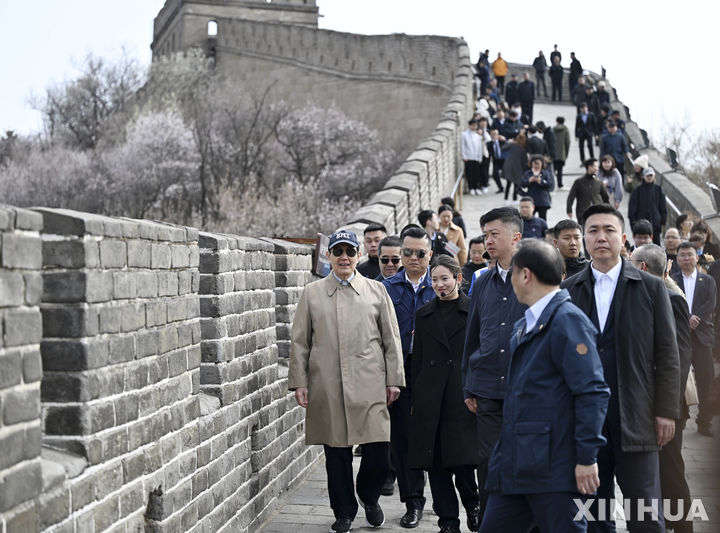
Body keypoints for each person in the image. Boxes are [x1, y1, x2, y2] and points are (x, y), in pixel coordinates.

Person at [561, 204, 680, 532]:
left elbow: (668, 354)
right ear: (584, 238)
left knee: (645, 513)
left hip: (638, 416)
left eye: (609, 230)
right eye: (593, 230)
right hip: (585, 424)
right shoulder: (568, 291)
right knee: (594, 516)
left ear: (623, 238)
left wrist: (666, 410)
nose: (601, 237)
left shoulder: (651, 288)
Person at [480, 239, 610, 533]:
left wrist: (587, 458)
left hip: (554, 467)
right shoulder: (528, 323)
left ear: (525, 275)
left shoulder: (567, 322)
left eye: (512, 271)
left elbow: (592, 392)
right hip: (517, 462)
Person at [288, 230, 404, 533]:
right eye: (337, 251)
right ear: (329, 256)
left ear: (359, 256)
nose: (344, 257)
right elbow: (300, 342)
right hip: (327, 384)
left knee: (379, 449)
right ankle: (343, 512)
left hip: (370, 382)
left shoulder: (377, 291)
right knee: (336, 454)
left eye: (349, 252)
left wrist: (395, 380)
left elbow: (392, 341)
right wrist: (300, 382)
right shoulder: (312, 293)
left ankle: (369, 496)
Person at [462, 207, 527, 525]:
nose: (487, 240)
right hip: (487, 389)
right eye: (485, 234)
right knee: (487, 463)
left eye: (494, 234)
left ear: (516, 236)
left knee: (524, 463)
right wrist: (468, 384)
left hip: (525, 390)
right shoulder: (483, 282)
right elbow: (472, 337)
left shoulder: (534, 280)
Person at [408, 255, 481, 533]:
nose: (439, 284)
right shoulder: (424, 314)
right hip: (431, 398)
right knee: (436, 466)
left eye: (444, 279)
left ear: (458, 279)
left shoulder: (473, 310)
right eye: (434, 280)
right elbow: (418, 360)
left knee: (462, 463)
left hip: (460, 395)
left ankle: (473, 505)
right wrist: (416, 399)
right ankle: (448, 521)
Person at [630, 243, 694, 533]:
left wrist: (665, 409)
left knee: (670, 474)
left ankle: (682, 527)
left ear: (641, 267)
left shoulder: (671, 298)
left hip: (665, 407)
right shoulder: (634, 297)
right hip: (641, 406)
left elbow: (678, 357)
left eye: (629, 263)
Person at [382, 227, 434, 528]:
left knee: (434, 435)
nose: (413, 258)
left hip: (433, 371)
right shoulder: (386, 288)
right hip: (399, 371)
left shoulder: (441, 284)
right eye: (408, 253)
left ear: (430, 254)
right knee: (403, 438)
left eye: (420, 253)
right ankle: (413, 501)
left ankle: (442, 495)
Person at [672, 242, 717, 437]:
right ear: (677, 259)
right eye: (682, 255)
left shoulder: (707, 281)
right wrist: (686, 318)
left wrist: (694, 318)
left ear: (697, 257)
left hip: (702, 338)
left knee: (705, 379)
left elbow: (711, 303)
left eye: (690, 255)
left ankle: (704, 419)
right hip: (680, 337)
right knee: (680, 379)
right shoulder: (672, 281)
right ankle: (682, 416)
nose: (686, 259)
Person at [628, 167, 667, 245]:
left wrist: (662, 221)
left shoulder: (658, 190)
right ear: (643, 176)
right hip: (641, 223)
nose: (649, 177)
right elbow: (632, 208)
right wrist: (634, 223)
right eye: (647, 176)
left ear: (653, 176)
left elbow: (663, 206)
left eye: (651, 176)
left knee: (657, 245)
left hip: (655, 223)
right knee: (641, 245)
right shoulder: (637, 190)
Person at [566, 158, 609, 225]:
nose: (597, 169)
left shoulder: (599, 182)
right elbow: (571, 197)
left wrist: (607, 211)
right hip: (582, 213)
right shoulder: (578, 182)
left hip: (598, 213)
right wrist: (569, 210)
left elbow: (605, 197)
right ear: (589, 167)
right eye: (596, 166)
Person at [520, 156, 553, 221]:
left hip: (543, 200)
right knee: (528, 219)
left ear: (542, 164)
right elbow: (522, 184)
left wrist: (541, 181)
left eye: (538, 164)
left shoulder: (545, 173)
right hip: (531, 199)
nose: (536, 166)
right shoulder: (528, 173)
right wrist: (529, 181)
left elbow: (550, 184)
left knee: (543, 219)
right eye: (535, 164)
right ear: (532, 164)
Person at [502, 131, 528, 204]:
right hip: (518, 168)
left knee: (508, 183)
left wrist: (508, 142)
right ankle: (514, 199)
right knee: (516, 184)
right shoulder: (523, 149)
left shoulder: (512, 145)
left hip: (508, 166)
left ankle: (506, 199)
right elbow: (524, 161)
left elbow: (502, 148)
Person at [461, 119, 484, 196]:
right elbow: (463, 146)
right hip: (469, 157)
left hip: (476, 157)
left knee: (477, 173)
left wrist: (480, 157)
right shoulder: (464, 134)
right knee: (469, 173)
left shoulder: (478, 136)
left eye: (475, 125)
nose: (474, 127)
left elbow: (480, 148)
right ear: (469, 125)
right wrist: (464, 156)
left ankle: (477, 187)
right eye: (473, 125)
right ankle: (471, 188)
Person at [553, 116, 571, 189]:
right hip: (561, 154)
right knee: (560, 170)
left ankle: (551, 184)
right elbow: (568, 142)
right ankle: (560, 184)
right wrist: (566, 154)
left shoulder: (553, 129)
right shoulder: (565, 130)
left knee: (552, 170)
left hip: (553, 153)